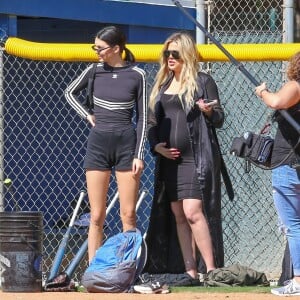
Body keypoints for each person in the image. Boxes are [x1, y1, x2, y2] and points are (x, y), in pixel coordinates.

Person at [144, 32, 233, 283]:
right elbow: (152, 122)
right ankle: (190, 271)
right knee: (179, 215)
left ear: (187, 55)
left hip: (196, 157)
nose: (170, 58)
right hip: (170, 161)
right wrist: (156, 147)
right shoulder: (162, 85)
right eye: (167, 54)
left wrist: (208, 112)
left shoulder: (203, 81)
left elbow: (219, 119)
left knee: (193, 211)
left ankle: (212, 270)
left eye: (175, 54)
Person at [64, 26, 148, 262]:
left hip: (126, 146)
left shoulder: (137, 75)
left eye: (100, 48)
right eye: (95, 47)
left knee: (128, 213)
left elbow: (141, 117)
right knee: (96, 215)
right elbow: (69, 93)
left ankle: (127, 268)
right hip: (98, 145)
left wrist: (138, 154)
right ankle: (94, 269)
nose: (96, 52)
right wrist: (87, 115)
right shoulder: (94, 71)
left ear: (116, 49)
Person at [255, 51, 300, 296]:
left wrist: (262, 91)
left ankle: (298, 280)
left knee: (293, 226)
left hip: (288, 163)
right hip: (292, 164)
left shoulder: (295, 86)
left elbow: (276, 102)